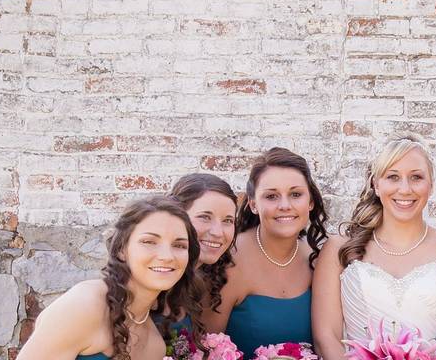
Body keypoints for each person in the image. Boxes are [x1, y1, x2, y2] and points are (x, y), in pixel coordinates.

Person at [312, 132, 436, 360]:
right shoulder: (338, 249)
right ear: (376, 184)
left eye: (416, 177)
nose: (405, 189)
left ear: (431, 185)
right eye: (393, 177)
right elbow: (326, 338)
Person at [18, 195, 203, 360]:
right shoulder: (85, 306)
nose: (167, 256)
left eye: (179, 245)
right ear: (122, 250)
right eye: (149, 242)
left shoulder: (155, 346)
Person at [202, 148, 328, 358]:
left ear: (311, 202)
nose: (285, 205)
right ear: (253, 204)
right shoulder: (228, 261)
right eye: (271, 196)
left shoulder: (318, 259)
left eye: (296, 194)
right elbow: (203, 350)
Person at [155, 174, 238, 338]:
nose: (218, 232)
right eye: (205, 217)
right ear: (177, 215)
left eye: (228, 220)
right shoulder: (154, 277)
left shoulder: (201, 282)